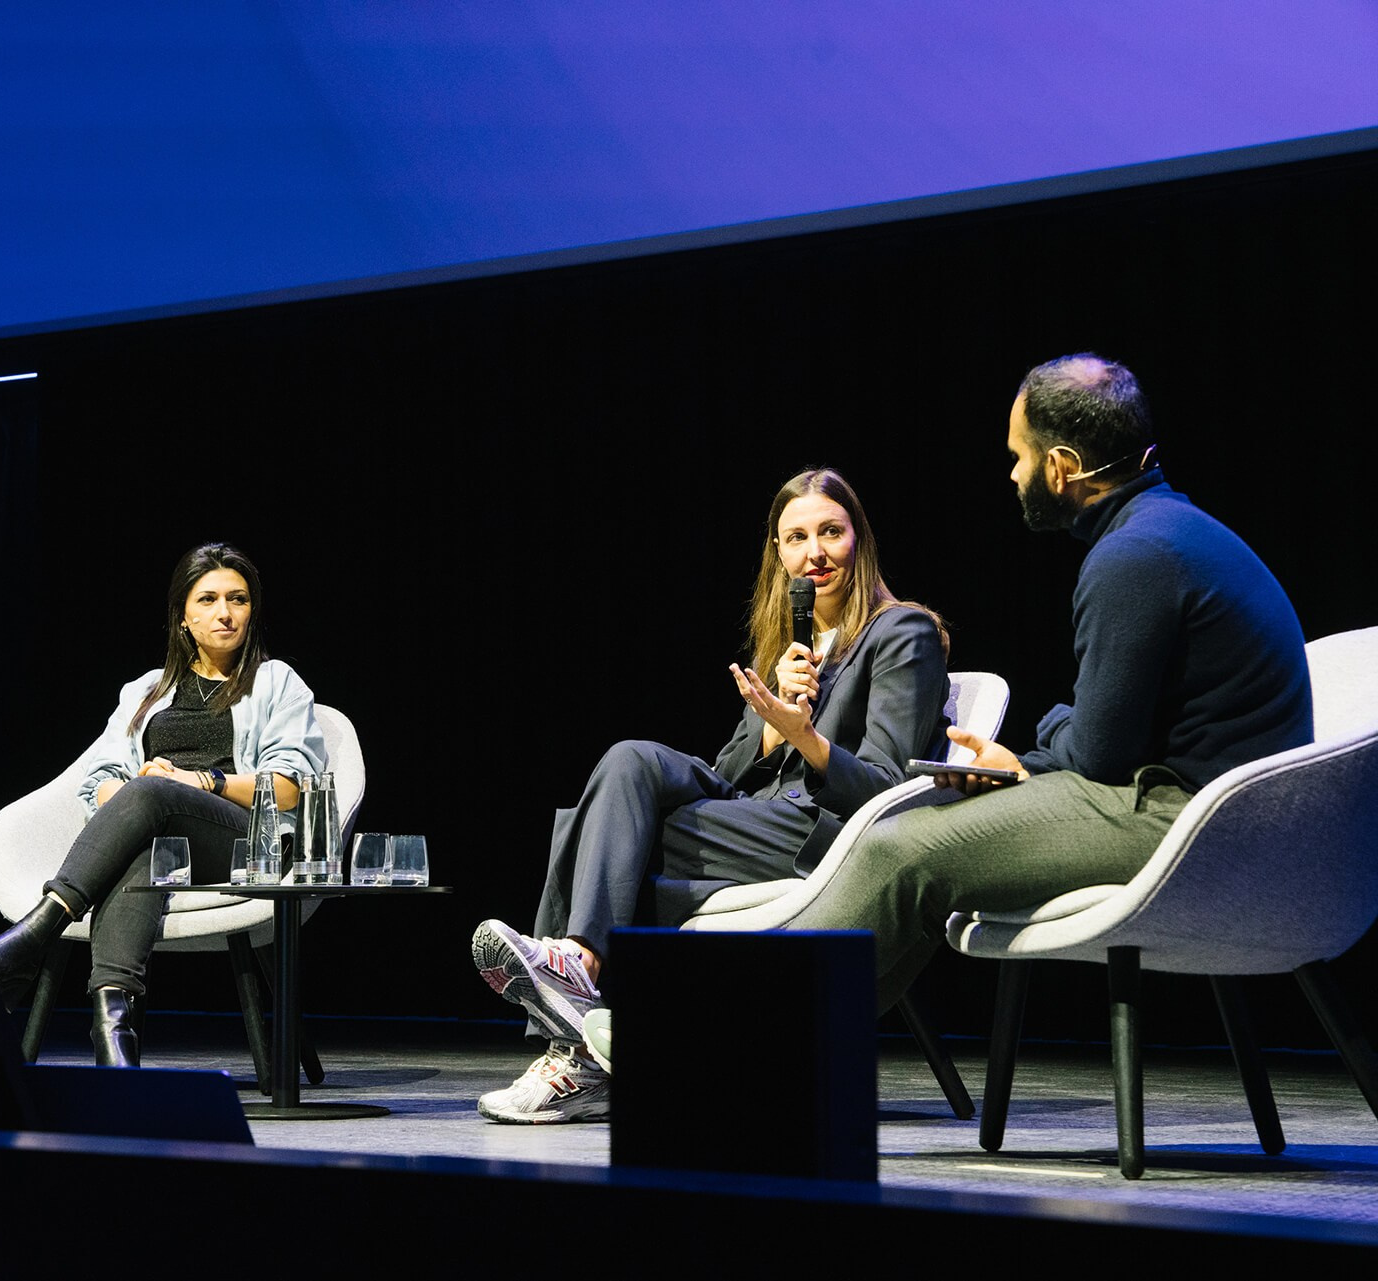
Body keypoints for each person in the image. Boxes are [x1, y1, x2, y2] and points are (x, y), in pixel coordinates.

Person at [762, 354, 1313, 1011]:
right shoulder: (1174, 528)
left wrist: (1047, 733)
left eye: (1019, 457)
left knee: (899, 848)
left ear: (1060, 468)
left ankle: (749, 1034)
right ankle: (795, 1040)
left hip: (1194, 823)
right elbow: (1116, 740)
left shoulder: (1132, 558)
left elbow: (1100, 756)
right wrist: (1025, 763)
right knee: (926, 825)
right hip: (1230, 814)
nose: (1015, 474)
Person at [470, 468, 951, 1123]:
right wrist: (769, 718)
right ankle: (580, 980)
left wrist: (803, 736)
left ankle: (576, 1024)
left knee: (606, 835)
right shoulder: (798, 644)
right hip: (759, 819)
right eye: (797, 537)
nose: (816, 551)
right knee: (629, 762)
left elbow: (889, 787)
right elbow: (728, 771)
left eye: (831, 532)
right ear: (778, 555)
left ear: (857, 539)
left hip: (826, 836)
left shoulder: (904, 634)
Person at [0, 542, 327, 1067]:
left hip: (243, 840)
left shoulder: (276, 681)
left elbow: (289, 787)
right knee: (145, 835)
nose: (225, 613)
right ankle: (113, 1035)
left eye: (238, 599)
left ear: (253, 610)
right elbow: (98, 779)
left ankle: (34, 936)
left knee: (154, 795)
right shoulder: (146, 689)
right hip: (163, 835)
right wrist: (132, 793)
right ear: (183, 616)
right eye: (208, 600)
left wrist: (200, 781)